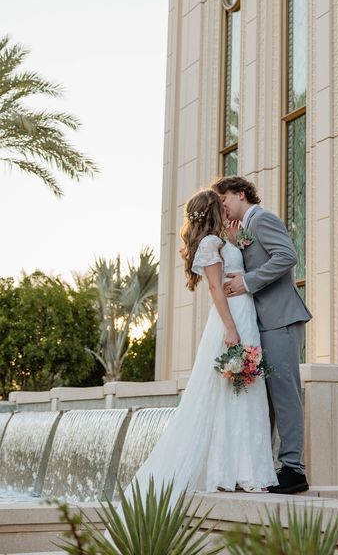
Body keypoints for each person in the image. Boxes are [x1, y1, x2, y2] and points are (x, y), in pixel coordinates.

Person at [120, 189, 277, 504]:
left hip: (245, 314)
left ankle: (245, 471)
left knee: (246, 390)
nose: (225, 205)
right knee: (235, 391)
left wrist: (234, 241)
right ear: (212, 210)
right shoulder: (208, 244)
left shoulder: (222, 241)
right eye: (220, 204)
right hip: (232, 319)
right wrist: (231, 329)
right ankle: (237, 473)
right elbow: (216, 289)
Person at [212, 176, 312, 494]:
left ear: (241, 194)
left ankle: (293, 470)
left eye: (224, 198)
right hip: (263, 324)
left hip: (281, 320)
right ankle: (263, 468)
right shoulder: (242, 227)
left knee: (285, 396)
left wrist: (247, 282)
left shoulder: (263, 218)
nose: (222, 205)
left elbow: (287, 256)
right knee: (265, 399)